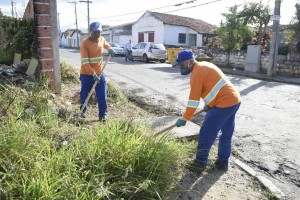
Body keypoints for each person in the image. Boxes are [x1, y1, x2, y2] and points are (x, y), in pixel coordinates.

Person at [172, 49, 241, 172]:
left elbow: (193, 101)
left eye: (182, 65)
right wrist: (209, 104)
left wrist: (184, 118)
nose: (181, 68)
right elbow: (213, 86)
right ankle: (222, 163)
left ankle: (200, 163)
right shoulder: (205, 65)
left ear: (188, 61)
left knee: (206, 132)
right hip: (234, 100)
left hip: (224, 103)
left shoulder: (196, 73)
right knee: (226, 134)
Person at [79, 21, 115, 122]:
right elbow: (85, 62)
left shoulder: (101, 39)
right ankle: (82, 112)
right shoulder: (84, 43)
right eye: (95, 32)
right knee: (85, 94)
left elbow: (107, 45)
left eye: (99, 32)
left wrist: (110, 49)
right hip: (86, 74)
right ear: (91, 32)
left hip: (99, 72)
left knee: (102, 95)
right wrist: (92, 74)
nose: (97, 34)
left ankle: (102, 115)